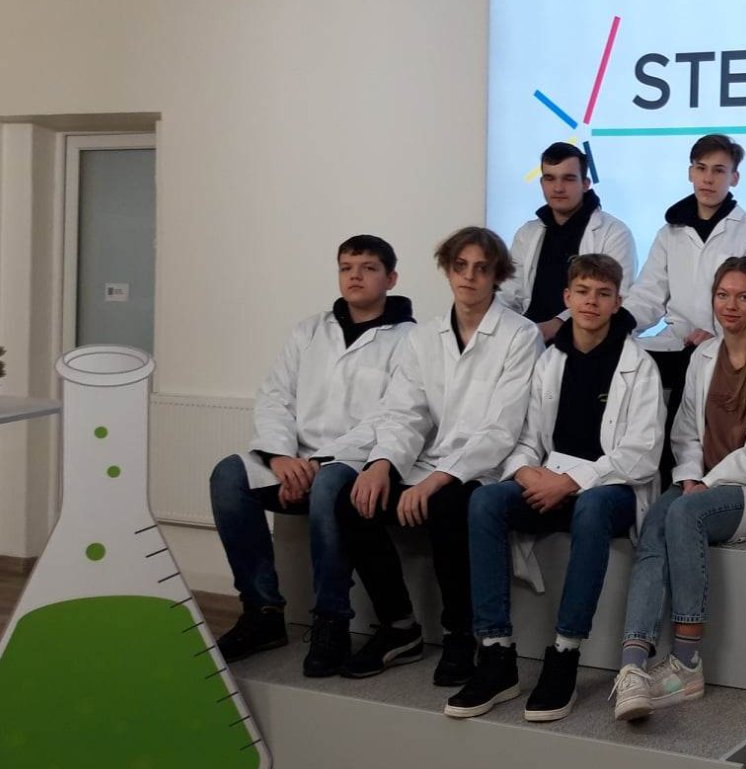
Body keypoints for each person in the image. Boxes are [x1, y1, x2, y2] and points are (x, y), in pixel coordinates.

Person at [446, 255, 665, 722]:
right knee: (485, 501)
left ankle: (565, 652)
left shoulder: (639, 366)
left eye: (603, 294)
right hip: (550, 479)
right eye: (582, 292)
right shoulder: (549, 361)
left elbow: (642, 454)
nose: (591, 302)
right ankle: (497, 652)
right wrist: (527, 473)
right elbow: (526, 438)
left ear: (618, 303)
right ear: (567, 298)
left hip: (612, 488)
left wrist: (570, 483)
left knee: (591, 509)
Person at [336, 227, 540, 685]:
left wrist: (438, 478)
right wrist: (382, 463)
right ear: (447, 270)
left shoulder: (520, 336)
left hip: (485, 468)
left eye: (481, 268)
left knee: (450, 506)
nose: (469, 277)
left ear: (497, 276)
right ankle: (399, 626)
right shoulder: (424, 338)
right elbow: (404, 413)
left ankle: (459, 634)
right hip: (428, 463)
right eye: (460, 266)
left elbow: (501, 430)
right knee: (352, 502)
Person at [210, 235, 414, 677]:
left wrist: (319, 462)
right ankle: (262, 612)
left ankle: (331, 620)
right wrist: (281, 457)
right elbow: (275, 396)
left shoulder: (411, 340)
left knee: (329, 484)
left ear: (391, 278)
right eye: (346, 267)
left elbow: (394, 414)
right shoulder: (309, 331)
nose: (355, 276)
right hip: (294, 459)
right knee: (229, 475)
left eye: (368, 267)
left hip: (355, 461)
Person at [611, 258, 746, 720]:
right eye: (723, 295)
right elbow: (685, 434)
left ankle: (687, 662)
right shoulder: (702, 357)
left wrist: (708, 483)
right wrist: (690, 477)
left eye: (743, 296)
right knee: (656, 520)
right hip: (701, 481)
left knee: (683, 513)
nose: (731, 305)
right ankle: (633, 664)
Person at [623, 134, 746, 479]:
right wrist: (618, 324)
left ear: (734, 178)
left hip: (729, 343)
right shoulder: (670, 233)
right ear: (690, 173)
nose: (708, 178)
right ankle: (626, 471)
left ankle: (674, 476)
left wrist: (719, 333)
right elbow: (648, 294)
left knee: (694, 366)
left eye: (719, 171)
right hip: (677, 338)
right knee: (626, 360)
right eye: (701, 168)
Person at [500, 142, 637, 343]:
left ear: (585, 184)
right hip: (527, 341)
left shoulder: (614, 233)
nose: (558, 188)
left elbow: (614, 300)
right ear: (542, 183)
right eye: (550, 178)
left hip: (584, 344)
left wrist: (556, 325)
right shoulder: (527, 233)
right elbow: (508, 294)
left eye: (568, 179)